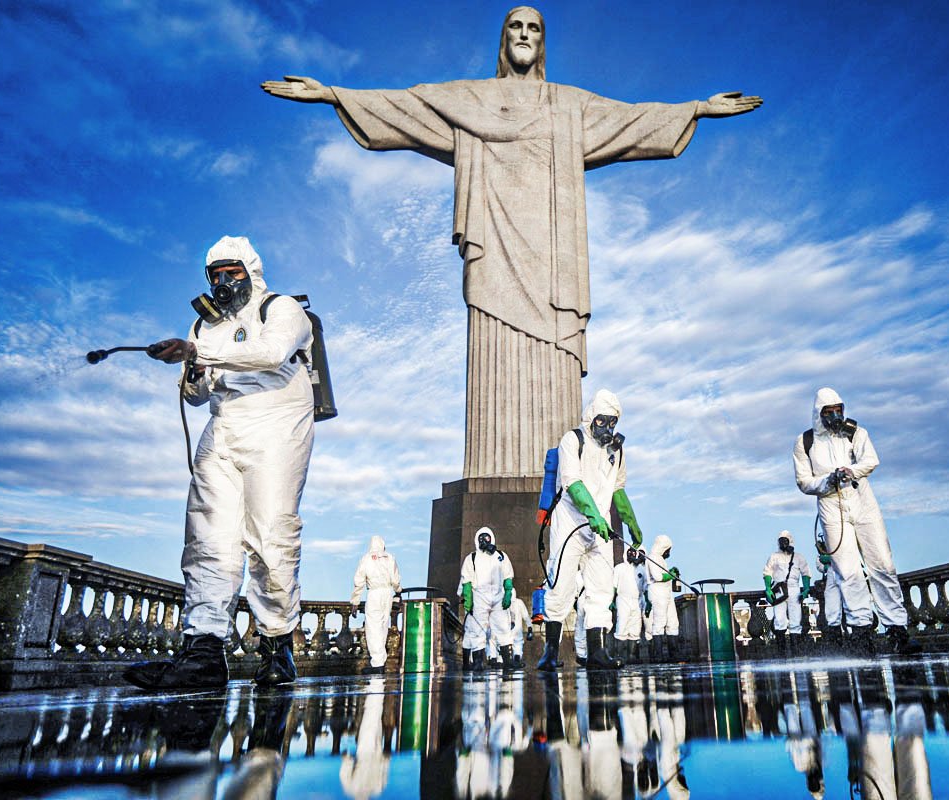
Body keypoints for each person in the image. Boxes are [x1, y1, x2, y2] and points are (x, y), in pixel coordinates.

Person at [261, 7, 761, 480]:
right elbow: (407, 106)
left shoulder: (569, 105)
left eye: (534, 28)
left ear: (543, 43)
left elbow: (630, 119)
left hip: (552, 261)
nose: (524, 34)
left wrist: (696, 108)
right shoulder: (469, 100)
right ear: (504, 40)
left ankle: (560, 476)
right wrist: (333, 94)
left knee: (555, 363)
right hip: (493, 252)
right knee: (494, 355)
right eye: (515, 26)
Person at [125, 236, 315, 690]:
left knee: (270, 534)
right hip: (222, 426)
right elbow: (195, 397)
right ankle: (204, 650)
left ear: (250, 271)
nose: (223, 282)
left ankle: (276, 644)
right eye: (215, 276)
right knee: (208, 538)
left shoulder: (283, 308)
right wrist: (192, 367)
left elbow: (271, 355)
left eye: (232, 273)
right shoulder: (204, 325)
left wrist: (198, 353)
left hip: (277, 425)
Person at [792, 387, 919, 655]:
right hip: (830, 505)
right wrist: (828, 481)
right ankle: (862, 631)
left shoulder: (856, 432)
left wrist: (850, 471)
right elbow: (803, 481)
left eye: (839, 409)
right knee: (847, 571)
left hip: (862, 500)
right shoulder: (805, 442)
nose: (836, 415)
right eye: (829, 412)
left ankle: (897, 628)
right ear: (819, 414)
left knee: (882, 564)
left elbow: (871, 460)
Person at [537, 389, 643, 671]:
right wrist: (593, 514)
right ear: (591, 416)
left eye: (612, 422)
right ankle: (549, 652)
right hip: (570, 523)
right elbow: (572, 483)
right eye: (602, 421)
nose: (607, 428)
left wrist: (631, 522)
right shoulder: (573, 441)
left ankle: (597, 651)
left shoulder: (616, 452)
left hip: (601, 528)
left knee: (601, 588)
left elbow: (617, 489)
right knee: (561, 586)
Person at [460, 527, 516, 672]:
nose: (484, 540)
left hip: (498, 596)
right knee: (478, 630)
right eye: (481, 538)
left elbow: (507, 575)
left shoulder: (501, 556)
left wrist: (508, 592)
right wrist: (468, 600)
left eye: (487, 537)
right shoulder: (472, 558)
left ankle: (508, 661)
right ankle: (478, 662)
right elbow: (467, 581)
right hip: (480, 597)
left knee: (503, 628)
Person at [350, 535, 402, 675]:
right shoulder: (389, 557)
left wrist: (355, 601)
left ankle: (377, 663)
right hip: (387, 593)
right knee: (383, 626)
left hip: (374, 593)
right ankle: (381, 661)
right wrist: (398, 591)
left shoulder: (366, 558)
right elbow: (396, 579)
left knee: (373, 628)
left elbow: (359, 580)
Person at [762, 530, 812, 656]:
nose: (783, 543)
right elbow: (767, 572)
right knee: (779, 619)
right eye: (781, 541)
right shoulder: (774, 556)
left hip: (794, 589)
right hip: (779, 589)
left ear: (790, 541)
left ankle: (797, 652)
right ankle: (781, 653)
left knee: (796, 619)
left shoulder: (799, 557)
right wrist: (768, 588)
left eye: (785, 541)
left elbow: (806, 573)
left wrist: (806, 589)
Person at [647, 534, 682, 663]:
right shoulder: (651, 557)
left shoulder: (661, 559)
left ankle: (674, 653)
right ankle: (658, 655)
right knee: (659, 622)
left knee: (673, 622)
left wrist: (671, 573)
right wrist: (670, 575)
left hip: (666, 593)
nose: (669, 552)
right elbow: (657, 576)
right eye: (668, 549)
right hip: (657, 592)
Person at [612, 546, 649, 664]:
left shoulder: (641, 570)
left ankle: (632, 656)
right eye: (630, 551)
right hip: (623, 600)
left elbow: (645, 587)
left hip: (637, 600)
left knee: (635, 628)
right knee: (622, 625)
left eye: (634, 552)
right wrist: (612, 600)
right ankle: (618, 656)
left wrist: (647, 602)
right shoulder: (619, 568)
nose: (632, 553)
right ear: (625, 553)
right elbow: (614, 586)